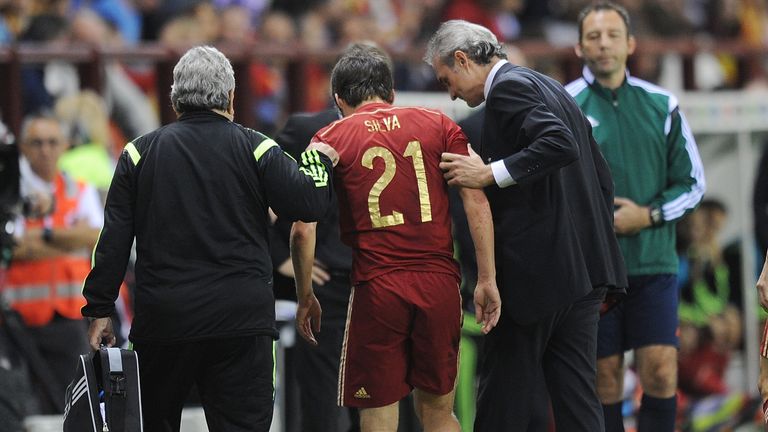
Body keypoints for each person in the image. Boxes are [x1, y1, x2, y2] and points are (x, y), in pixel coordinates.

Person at [81, 46, 336, 432]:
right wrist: (317, 161)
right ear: (231, 97)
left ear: (174, 98)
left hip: (164, 322)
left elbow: (113, 238)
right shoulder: (258, 147)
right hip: (241, 322)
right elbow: (311, 203)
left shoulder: (138, 153)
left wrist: (99, 308)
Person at [425, 19, 628, 431]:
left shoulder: (508, 89)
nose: (450, 92)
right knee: (577, 402)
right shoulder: (549, 85)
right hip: (584, 275)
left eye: (447, 78)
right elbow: (600, 174)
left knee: (502, 398)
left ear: (462, 59)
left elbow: (558, 144)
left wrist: (490, 174)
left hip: (539, 279)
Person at [290, 43, 500, 432]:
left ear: (338, 99)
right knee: (438, 413)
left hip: (379, 288)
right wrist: (486, 278)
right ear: (391, 94)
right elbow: (475, 199)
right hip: (440, 284)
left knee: (378, 414)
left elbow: (303, 227)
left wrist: (305, 296)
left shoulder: (326, 138)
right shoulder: (440, 124)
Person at [565, 3, 706, 431]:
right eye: (593, 36)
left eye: (612, 35)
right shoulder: (564, 105)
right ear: (578, 46)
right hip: (595, 273)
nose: (603, 43)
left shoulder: (663, 104)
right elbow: (552, 188)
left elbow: (693, 184)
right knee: (605, 378)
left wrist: (649, 215)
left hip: (654, 265)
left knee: (661, 370)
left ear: (631, 43)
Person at [2, 114, 102, 414]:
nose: (44, 150)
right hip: (18, 319)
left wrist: (42, 234)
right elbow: (13, 246)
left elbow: (94, 237)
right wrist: (67, 237)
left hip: (69, 316)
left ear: (64, 146)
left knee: (77, 407)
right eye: (36, 143)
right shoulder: (10, 191)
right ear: (23, 147)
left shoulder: (79, 189)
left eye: (52, 142)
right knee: (24, 408)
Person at [271, 107, 362, 432]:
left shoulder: (398, 128)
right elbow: (264, 190)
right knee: (322, 398)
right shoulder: (306, 128)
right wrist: (279, 255)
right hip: (329, 283)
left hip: (378, 282)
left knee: (376, 396)